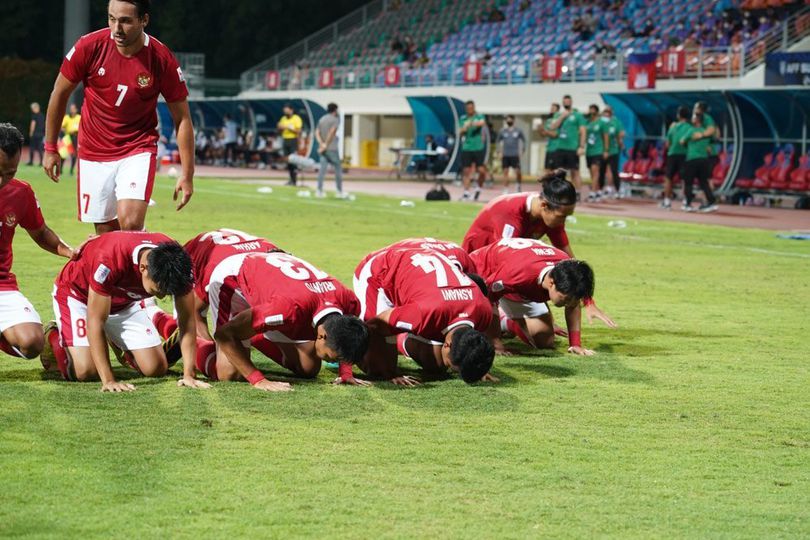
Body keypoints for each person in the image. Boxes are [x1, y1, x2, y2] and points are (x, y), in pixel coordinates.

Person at [43, 0, 195, 234]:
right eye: (112, 19)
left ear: (144, 20)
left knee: (131, 223)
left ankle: (144, 258)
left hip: (137, 147)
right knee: (106, 233)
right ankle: (132, 263)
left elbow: (182, 118)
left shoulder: (160, 58)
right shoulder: (89, 46)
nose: (116, 28)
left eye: (125, 21)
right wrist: (50, 147)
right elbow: (59, 94)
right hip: (94, 149)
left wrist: (187, 174)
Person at [41, 231, 211, 392]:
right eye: (159, 289)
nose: (162, 295)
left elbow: (187, 321)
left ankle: (114, 339)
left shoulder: (178, 265)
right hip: (79, 297)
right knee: (86, 371)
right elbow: (95, 321)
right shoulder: (109, 258)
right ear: (143, 268)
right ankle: (54, 334)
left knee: (156, 368)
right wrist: (109, 381)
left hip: (124, 302)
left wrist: (189, 375)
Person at [462, 169, 616, 328]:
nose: (564, 221)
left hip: (509, 267)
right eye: (562, 216)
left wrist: (587, 300)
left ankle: (507, 322)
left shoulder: (550, 213)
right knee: (489, 315)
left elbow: (570, 263)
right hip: (480, 262)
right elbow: (508, 271)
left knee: (542, 331)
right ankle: (503, 320)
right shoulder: (510, 213)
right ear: (544, 205)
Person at [210, 251, 369, 390]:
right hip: (235, 277)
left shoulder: (350, 302)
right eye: (330, 357)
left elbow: (346, 339)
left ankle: (254, 331)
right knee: (230, 372)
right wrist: (258, 380)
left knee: (308, 367)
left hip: (277, 288)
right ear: (322, 336)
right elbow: (225, 334)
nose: (330, 360)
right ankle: (192, 342)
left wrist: (346, 373)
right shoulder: (287, 310)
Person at [353, 245, 495, 386]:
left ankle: (403, 339)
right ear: (447, 345)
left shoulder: (483, 311)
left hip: (422, 272)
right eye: (453, 367)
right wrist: (390, 371)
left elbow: (475, 345)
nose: (454, 371)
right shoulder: (423, 315)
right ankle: (336, 331)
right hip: (380, 271)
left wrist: (477, 365)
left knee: (436, 365)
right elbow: (377, 324)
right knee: (375, 367)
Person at [0, 124, 76, 363]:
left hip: (2, 286)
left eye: (9, 173)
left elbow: (41, 233)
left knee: (32, 343)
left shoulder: (21, 193)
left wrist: (69, 251)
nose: (1, 180)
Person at [469, 238, 597, 355]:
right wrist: (496, 343)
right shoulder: (518, 274)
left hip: (519, 284)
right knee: (467, 327)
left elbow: (573, 305)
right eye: (567, 299)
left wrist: (575, 344)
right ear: (551, 283)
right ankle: (493, 320)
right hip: (484, 273)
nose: (570, 304)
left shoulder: (565, 270)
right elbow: (488, 298)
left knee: (545, 341)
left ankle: (506, 321)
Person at [680, 113, 718, 213]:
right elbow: (714, 141)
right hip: (704, 160)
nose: (692, 119)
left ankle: (688, 204)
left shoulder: (691, 130)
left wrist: (689, 146)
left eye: (693, 117)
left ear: (697, 120)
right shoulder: (706, 132)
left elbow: (682, 141)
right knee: (704, 183)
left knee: (688, 182)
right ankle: (711, 202)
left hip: (692, 159)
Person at [549, 95, 586, 192]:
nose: (566, 103)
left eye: (568, 101)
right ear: (562, 103)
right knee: (559, 171)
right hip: (560, 147)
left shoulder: (577, 115)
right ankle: (561, 192)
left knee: (575, 171)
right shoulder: (558, 115)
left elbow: (583, 131)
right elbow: (552, 127)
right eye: (565, 101)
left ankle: (577, 193)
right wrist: (562, 117)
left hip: (572, 148)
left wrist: (581, 146)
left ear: (571, 102)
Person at [661, 106, 691, 210]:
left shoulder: (673, 127)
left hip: (672, 154)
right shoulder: (689, 127)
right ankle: (686, 201)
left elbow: (667, 143)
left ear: (678, 115)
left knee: (668, 178)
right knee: (685, 179)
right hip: (684, 154)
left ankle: (667, 201)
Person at [458, 100, 488, 201]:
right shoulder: (463, 118)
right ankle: (466, 193)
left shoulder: (479, 116)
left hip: (478, 147)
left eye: (471, 108)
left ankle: (478, 188)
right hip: (466, 147)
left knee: (481, 171)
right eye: (468, 108)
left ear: (474, 108)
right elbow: (460, 131)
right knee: (466, 171)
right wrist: (465, 127)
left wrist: (471, 123)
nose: (470, 110)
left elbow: (482, 123)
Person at [315, 103, 345, 198]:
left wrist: (321, 144)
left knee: (322, 170)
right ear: (335, 110)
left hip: (323, 148)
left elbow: (317, 133)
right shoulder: (335, 120)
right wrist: (326, 145)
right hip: (331, 148)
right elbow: (332, 132)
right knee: (338, 169)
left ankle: (319, 191)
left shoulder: (322, 119)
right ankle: (339, 192)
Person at [584, 104, 609, 201]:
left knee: (596, 172)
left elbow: (605, 137)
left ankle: (592, 193)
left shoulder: (601, 123)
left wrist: (606, 150)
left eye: (593, 111)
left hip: (598, 151)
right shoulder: (587, 122)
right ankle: (598, 191)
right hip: (589, 151)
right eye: (590, 110)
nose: (591, 112)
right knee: (592, 173)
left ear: (597, 112)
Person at [600, 106, 625, 198]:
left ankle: (617, 190)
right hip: (602, 151)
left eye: (608, 111)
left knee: (614, 171)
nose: (606, 113)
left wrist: (621, 143)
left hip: (613, 150)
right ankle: (600, 190)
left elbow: (621, 133)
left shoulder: (616, 122)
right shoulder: (601, 122)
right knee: (602, 171)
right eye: (605, 111)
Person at [497, 115, 526, 194]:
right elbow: (498, 141)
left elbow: (524, 140)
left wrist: (523, 150)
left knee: (518, 171)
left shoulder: (518, 131)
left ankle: (518, 185)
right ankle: (506, 188)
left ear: (513, 120)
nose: (509, 121)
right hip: (505, 155)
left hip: (514, 155)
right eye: (507, 120)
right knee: (505, 172)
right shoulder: (503, 131)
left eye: (510, 120)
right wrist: (499, 151)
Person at [277, 104, 302, 186]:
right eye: (284, 110)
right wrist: (280, 128)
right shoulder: (283, 118)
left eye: (287, 110)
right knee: (287, 160)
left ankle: (294, 180)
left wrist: (288, 128)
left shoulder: (296, 118)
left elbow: (298, 131)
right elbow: (279, 130)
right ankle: (291, 179)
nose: (285, 112)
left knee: (293, 160)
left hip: (293, 140)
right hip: (285, 140)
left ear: (291, 110)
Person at [59, 103, 81, 175]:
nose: (72, 110)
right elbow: (62, 126)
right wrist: (65, 131)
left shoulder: (79, 117)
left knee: (74, 154)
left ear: (76, 110)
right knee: (63, 153)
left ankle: (71, 170)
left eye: (73, 109)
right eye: (71, 109)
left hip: (76, 136)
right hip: (68, 137)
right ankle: (61, 169)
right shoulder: (67, 117)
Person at [540, 103, 561, 173]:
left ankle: (556, 183)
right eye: (551, 108)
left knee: (556, 170)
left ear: (558, 109)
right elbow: (543, 135)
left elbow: (555, 134)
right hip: (549, 148)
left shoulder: (559, 119)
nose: (551, 109)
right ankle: (550, 184)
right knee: (547, 169)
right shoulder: (549, 120)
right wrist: (540, 129)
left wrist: (546, 131)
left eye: (553, 108)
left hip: (556, 148)